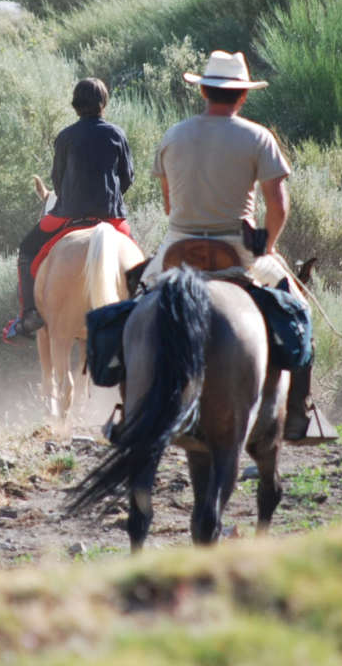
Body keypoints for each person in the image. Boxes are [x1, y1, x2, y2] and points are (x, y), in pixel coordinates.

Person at [140, 49, 319, 441]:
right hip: (236, 249)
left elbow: (170, 204)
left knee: (135, 300)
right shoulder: (258, 137)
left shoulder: (173, 135)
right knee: (299, 310)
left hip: (177, 246)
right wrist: (267, 245)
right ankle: (299, 414)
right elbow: (278, 205)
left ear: (204, 91)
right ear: (242, 96)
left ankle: (128, 401)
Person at [4, 78, 135, 341]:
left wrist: (72, 198)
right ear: (103, 103)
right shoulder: (116, 134)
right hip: (111, 217)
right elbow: (128, 176)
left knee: (27, 249)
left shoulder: (65, 137)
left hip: (68, 216)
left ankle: (29, 315)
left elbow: (58, 180)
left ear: (76, 105)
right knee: (136, 260)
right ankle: (141, 313)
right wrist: (109, 199)